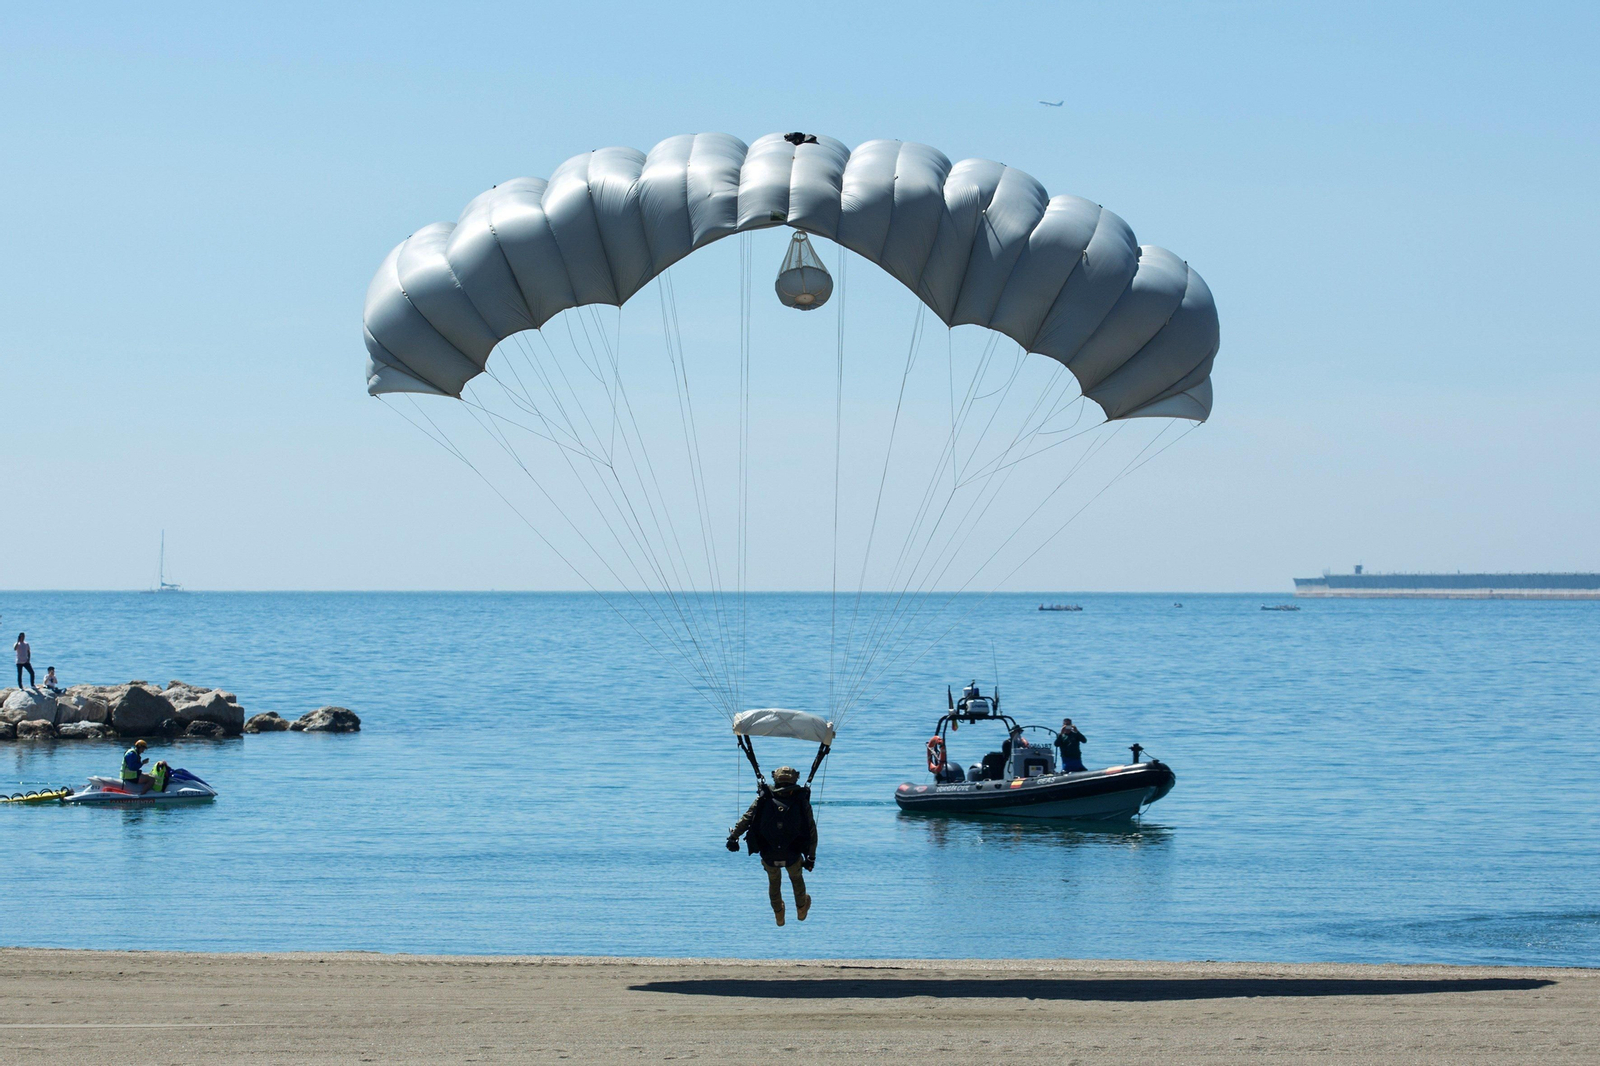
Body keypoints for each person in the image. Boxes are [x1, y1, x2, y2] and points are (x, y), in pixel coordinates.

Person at [726, 766, 817, 927]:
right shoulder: (801, 799)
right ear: (795, 779)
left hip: (769, 854)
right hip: (792, 854)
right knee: (796, 878)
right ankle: (801, 908)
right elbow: (811, 831)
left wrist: (733, 838)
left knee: (774, 881)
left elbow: (747, 819)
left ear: (775, 779)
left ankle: (779, 914)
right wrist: (811, 857)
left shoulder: (764, 797)